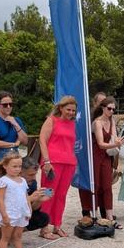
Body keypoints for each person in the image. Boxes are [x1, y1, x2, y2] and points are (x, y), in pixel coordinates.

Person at [0, 155, 51, 237]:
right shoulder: (4, 181)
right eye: (30, 175)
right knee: (0, 211)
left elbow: (33, 209)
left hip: (12, 214)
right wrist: (29, 199)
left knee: (43, 218)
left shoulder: (31, 183)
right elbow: (5, 204)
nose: (34, 178)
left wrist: (38, 200)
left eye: (35, 174)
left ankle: (12, 234)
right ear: (19, 172)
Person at [37, 96, 79, 236]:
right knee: (49, 194)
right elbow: (42, 141)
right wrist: (46, 161)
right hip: (53, 164)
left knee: (61, 195)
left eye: (73, 110)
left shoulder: (72, 124)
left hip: (69, 163)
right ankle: (44, 227)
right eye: (68, 109)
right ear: (61, 108)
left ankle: (57, 224)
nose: (71, 113)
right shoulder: (51, 120)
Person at [0, 151, 36, 248]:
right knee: (5, 238)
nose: (17, 169)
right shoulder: (3, 181)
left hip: (21, 213)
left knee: (18, 236)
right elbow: (0, 200)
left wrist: (29, 210)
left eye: (19, 166)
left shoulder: (22, 180)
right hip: (10, 213)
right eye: (14, 166)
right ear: (5, 166)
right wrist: (4, 215)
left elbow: (25, 196)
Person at [86, 96, 122, 223]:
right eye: (109, 108)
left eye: (114, 109)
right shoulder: (97, 122)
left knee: (107, 186)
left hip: (107, 156)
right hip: (96, 155)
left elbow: (114, 138)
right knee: (95, 185)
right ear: (102, 108)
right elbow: (101, 143)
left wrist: (118, 142)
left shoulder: (112, 121)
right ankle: (94, 215)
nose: (112, 111)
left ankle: (110, 217)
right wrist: (116, 144)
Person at [0, 91, 28, 186]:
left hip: (14, 159)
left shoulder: (16, 120)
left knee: (13, 186)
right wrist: (14, 144)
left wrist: (15, 124)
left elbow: (25, 140)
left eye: (11, 104)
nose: (8, 107)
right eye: (5, 104)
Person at [79, 92, 109, 218]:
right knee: (89, 181)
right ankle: (87, 209)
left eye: (105, 103)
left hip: (104, 154)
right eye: (101, 102)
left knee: (104, 184)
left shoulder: (108, 117)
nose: (103, 105)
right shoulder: (88, 116)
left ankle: (103, 209)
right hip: (89, 152)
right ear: (94, 103)